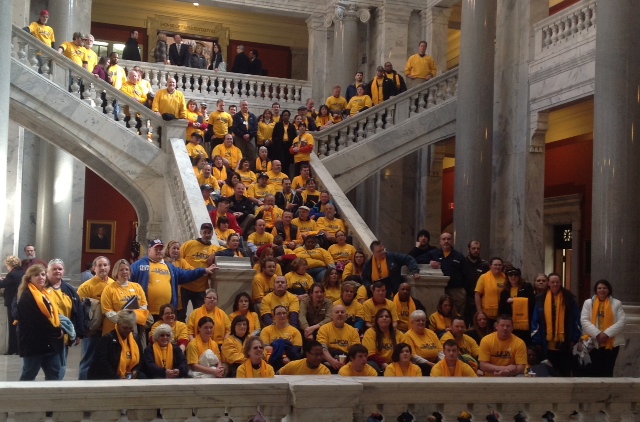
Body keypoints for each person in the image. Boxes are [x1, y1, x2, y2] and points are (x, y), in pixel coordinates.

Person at [130, 239, 217, 320]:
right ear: (149, 250)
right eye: (156, 249)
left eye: (161, 249)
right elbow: (128, 283)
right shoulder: (139, 265)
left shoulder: (170, 267)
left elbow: (187, 274)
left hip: (166, 315)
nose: (159, 251)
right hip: (146, 313)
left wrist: (204, 270)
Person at [16, 264, 66, 381]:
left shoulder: (45, 294)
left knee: (54, 374)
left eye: (43, 274)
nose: (41, 277)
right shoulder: (27, 296)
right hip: (34, 343)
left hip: (50, 342)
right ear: (30, 278)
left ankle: (52, 393)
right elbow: (36, 320)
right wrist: (56, 331)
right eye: (36, 275)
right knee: (29, 374)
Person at [531, 273, 581, 376]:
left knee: (565, 374)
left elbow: (576, 320)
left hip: (565, 344)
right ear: (548, 283)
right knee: (549, 374)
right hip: (546, 345)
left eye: (557, 282)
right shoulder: (540, 299)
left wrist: (574, 339)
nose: (555, 284)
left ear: (560, 283)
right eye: (552, 282)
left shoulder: (569, 298)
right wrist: (537, 341)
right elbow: (535, 321)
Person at [45, 259, 85, 379]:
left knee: (60, 366)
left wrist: (78, 334)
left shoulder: (69, 290)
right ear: (48, 271)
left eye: (60, 269)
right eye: (54, 269)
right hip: (45, 334)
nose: (57, 271)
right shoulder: (41, 288)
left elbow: (78, 311)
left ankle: (56, 384)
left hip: (63, 334)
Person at [77, 256, 113, 380]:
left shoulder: (114, 285)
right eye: (99, 265)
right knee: (88, 360)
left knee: (106, 360)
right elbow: (79, 310)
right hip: (93, 331)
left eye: (105, 265)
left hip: (109, 331)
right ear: (94, 268)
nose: (103, 268)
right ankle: (83, 385)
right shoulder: (86, 287)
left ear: (109, 267)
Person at [580, 279, 626, 377]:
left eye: (604, 288)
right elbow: (584, 320)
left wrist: (606, 334)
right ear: (596, 290)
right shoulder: (588, 303)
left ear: (609, 290)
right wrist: (598, 334)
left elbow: (621, 321)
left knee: (608, 370)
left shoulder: (616, 303)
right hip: (594, 342)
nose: (602, 290)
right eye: (599, 288)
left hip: (611, 343)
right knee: (595, 370)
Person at [179, 223, 220, 321]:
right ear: (200, 232)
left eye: (209, 232)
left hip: (200, 289)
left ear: (212, 234)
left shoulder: (215, 248)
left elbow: (229, 251)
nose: (207, 235)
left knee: (199, 317)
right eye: (205, 232)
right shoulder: (189, 244)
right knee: (180, 314)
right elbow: (179, 259)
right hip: (184, 286)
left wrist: (215, 254)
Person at [100, 259, 149, 340]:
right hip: (113, 329)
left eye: (127, 269)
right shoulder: (109, 289)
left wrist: (131, 319)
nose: (124, 272)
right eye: (121, 270)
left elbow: (143, 306)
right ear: (116, 272)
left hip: (133, 328)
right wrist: (124, 321)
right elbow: (107, 311)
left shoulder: (137, 287)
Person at [422, 232, 467, 317]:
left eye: (448, 239)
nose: (446, 241)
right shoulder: (433, 254)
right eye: (444, 239)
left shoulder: (459, 256)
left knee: (458, 314)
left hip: (456, 290)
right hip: (438, 289)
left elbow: (466, 274)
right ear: (440, 242)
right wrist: (430, 262)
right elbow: (418, 259)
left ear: (452, 241)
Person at [89, 309, 143, 380]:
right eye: (125, 328)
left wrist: (136, 371)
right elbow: (101, 363)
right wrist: (117, 378)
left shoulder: (136, 339)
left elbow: (141, 359)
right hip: (109, 378)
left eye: (130, 328)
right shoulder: (107, 340)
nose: (128, 331)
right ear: (118, 324)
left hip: (129, 377)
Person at [317, 304, 360, 372]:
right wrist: (332, 361)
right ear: (332, 316)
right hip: (328, 360)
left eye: (342, 312)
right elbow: (322, 348)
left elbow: (355, 351)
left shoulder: (353, 331)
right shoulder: (324, 329)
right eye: (337, 312)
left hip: (347, 362)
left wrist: (347, 365)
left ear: (346, 316)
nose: (340, 314)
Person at [362, 308, 405, 375]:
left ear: (391, 320)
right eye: (381, 316)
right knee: (371, 365)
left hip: (395, 362)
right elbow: (370, 354)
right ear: (377, 320)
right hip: (377, 363)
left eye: (387, 316)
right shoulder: (370, 332)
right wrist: (384, 364)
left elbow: (404, 350)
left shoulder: (398, 334)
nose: (384, 318)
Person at [498, 267, 535, 345]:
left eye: (516, 275)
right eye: (511, 275)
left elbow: (532, 301)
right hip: (511, 323)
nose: (513, 277)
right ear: (507, 277)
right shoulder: (504, 292)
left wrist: (514, 300)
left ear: (519, 277)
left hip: (525, 321)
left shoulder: (527, 287)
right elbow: (502, 309)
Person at [260, 305, 303, 371]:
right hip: (272, 362)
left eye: (284, 313)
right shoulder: (266, 330)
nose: (282, 315)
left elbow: (296, 350)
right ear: (274, 317)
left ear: (287, 315)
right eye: (279, 314)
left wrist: (288, 358)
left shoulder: (295, 331)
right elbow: (265, 349)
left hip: (291, 361)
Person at [403, 310, 441, 376]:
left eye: (423, 320)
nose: (421, 322)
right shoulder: (408, 335)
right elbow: (413, 355)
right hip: (420, 365)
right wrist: (430, 364)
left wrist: (442, 363)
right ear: (412, 322)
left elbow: (440, 350)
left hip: (435, 363)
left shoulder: (431, 333)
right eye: (418, 320)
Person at [0, 256, 24, 355]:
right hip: (21, 301)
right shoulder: (23, 272)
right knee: (20, 325)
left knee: (12, 325)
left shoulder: (12, 274)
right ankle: (19, 349)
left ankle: (12, 349)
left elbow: (2, 284)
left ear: (10, 265)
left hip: (12, 302)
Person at [474, 257, 506, 327]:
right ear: (490, 266)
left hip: (502, 312)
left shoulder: (505, 278)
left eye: (499, 265)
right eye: (495, 265)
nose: (497, 267)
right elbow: (477, 294)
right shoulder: (483, 277)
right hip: (487, 314)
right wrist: (480, 312)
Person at [464, 240, 489, 324]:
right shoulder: (463, 262)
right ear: (468, 249)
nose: (476, 250)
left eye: (478, 249)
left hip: (480, 297)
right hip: (465, 297)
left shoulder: (485, 264)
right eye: (473, 248)